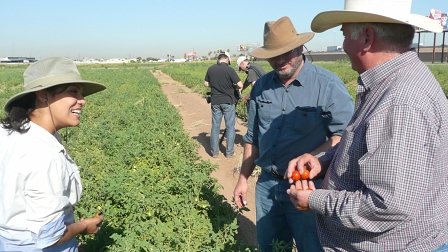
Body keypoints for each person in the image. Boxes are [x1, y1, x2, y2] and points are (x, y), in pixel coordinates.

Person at [286, 0, 448, 251]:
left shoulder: (400, 100)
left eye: (344, 34)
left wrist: (315, 199)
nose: (343, 46)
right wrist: (324, 161)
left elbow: (387, 206)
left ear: (366, 37)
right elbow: (371, 150)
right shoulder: (394, 83)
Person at [232, 16, 354, 252]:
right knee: (271, 247)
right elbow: (252, 138)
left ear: (300, 47)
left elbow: (344, 137)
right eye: (273, 55)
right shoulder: (261, 86)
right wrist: (243, 179)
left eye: (286, 52)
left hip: (308, 185)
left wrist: (311, 157)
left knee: (312, 247)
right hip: (267, 186)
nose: (280, 60)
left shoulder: (327, 85)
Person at [0, 57, 106, 251]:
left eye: (81, 93)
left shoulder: (8, 132)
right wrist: (83, 226)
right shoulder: (42, 154)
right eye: (73, 91)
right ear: (43, 96)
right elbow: (50, 237)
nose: (82, 101)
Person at [204, 52, 243, 158]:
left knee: (215, 127)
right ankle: (229, 152)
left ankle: (214, 152)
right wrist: (230, 85)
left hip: (215, 101)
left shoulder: (211, 68)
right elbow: (240, 85)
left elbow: (206, 83)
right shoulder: (229, 70)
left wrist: (215, 85)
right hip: (228, 101)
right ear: (227, 59)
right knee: (230, 127)